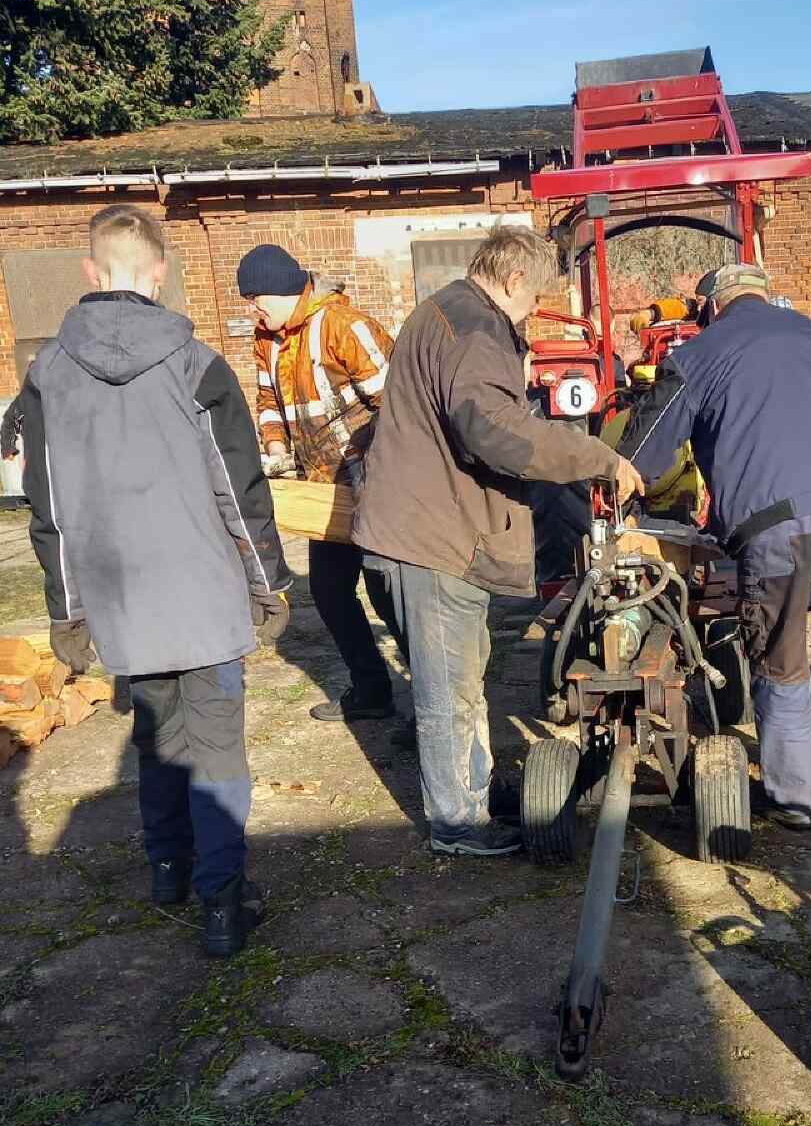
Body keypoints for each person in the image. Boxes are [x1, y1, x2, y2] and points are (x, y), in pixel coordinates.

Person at [21, 204, 292, 956]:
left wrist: (68, 611)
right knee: (215, 749)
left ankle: (168, 871)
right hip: (203, 594)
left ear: (89, 270)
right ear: (162, 273)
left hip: (122, 600)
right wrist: (267, 580)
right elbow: (240, 489)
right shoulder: (196, 364)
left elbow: (49, 507)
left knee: (159, 741)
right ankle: (223, 903)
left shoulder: (46, 375)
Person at [354, 224, 645, 857]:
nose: (532, 312)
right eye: (533, 298)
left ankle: (476, 791)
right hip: (433, 536)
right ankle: (458, 822)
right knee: (448, 692)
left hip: (426, 526)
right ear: (513, 280)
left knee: (461, 680)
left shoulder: (444, 312)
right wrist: (597, 457)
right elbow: (496, 431)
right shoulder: (477, 331)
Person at [623, 262, 811, 840]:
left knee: (782, 660)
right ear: (764, 296)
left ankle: (795, 802)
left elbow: (643, 456)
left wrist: (617, 479)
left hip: (773, 523)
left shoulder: (697, 355)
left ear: (712, 306)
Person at [238, 244, 399, 724]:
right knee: (330, 592)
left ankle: (431, 700)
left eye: (256, 298)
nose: (253, 309)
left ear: (283, 290)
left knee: (388, 593)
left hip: (373, 486)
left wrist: (380, 473)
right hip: (322, 489)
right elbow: (269, 400)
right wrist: (274, 447)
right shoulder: (268, 340)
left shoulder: (344, 326)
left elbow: (398, 405)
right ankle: (371, 690)